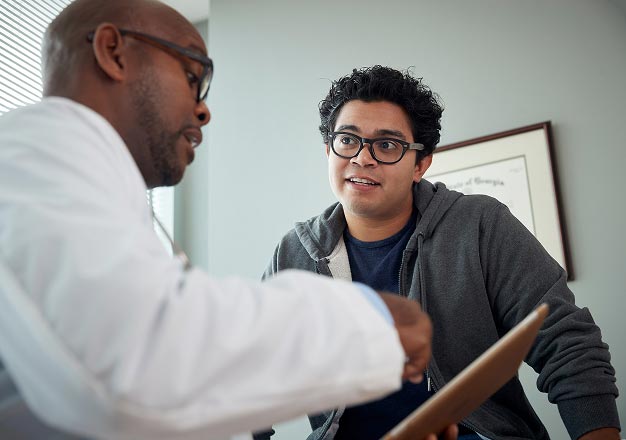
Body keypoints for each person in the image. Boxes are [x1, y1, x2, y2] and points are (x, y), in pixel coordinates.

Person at [0, 2, 457, 439]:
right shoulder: (38, 157)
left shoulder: (78, 180)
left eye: (388, 146)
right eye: (192, 76)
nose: (203, 109)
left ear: (421, 163)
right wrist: (370, 321)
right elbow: (139, 362)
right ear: (113, 52)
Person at [255, 66, 621, 440]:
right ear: (328, 149)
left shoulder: (478, 225)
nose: (362, 158)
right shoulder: (293, 255)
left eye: (387, 145)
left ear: (421, 164)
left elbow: (567, 344)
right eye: (347, 139)